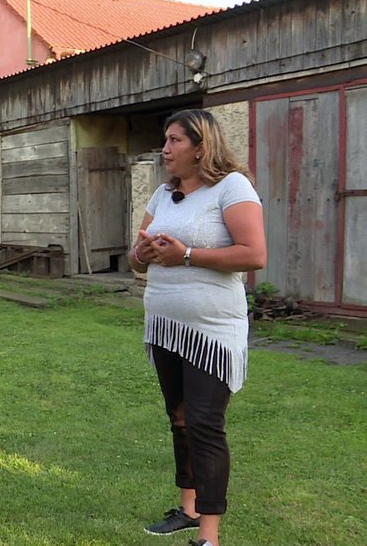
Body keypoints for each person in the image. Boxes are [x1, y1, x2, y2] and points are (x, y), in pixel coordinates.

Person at [129, 109, 266, 546]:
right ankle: (188, 509)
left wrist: (187, 255)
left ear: (200, 146)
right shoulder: (163, 195)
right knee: (180, 418)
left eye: (174, 141)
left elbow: (253, 254)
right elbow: (135, 258)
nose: (165, 150)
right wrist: (145, 253)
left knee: (206, 424)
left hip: (211, 330)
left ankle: (210, 535)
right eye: (165, 140)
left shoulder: (233, 187)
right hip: (166, 324)